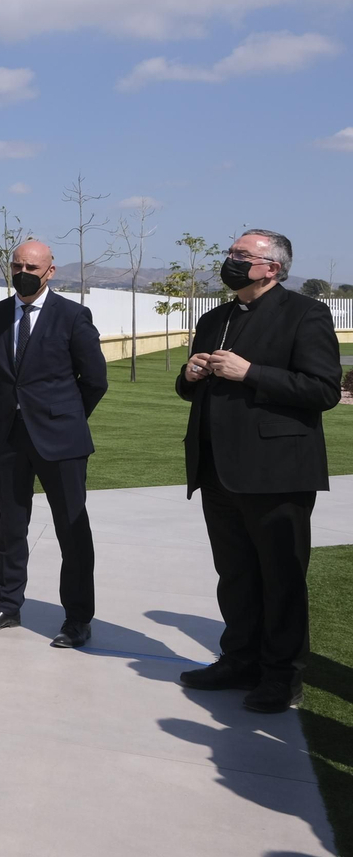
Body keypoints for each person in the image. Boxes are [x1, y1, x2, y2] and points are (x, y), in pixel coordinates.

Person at [176, 229, 340, 713]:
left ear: (273, 267)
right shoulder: (214, 318)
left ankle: (282, 676)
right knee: (235, 574)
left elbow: (323, 389)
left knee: (281, 576)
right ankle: (239, 660)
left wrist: (249, 373)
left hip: (276, 471)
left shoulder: (306, 313)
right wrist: (189, 375)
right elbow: (192, 391)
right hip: (217, 469)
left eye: (241, 256)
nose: (230, 261)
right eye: (229, 253)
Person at [0, 240, 108, 647]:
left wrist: (62, 416)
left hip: (61, 441)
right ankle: (7, 606)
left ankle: (78, 619)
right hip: (7, 438)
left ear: (50, 271)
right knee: (11, 527)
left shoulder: (73, 316)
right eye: (17, 265)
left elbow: (95, 380)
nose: (23, 272)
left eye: (32, 266)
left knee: (72, 530)